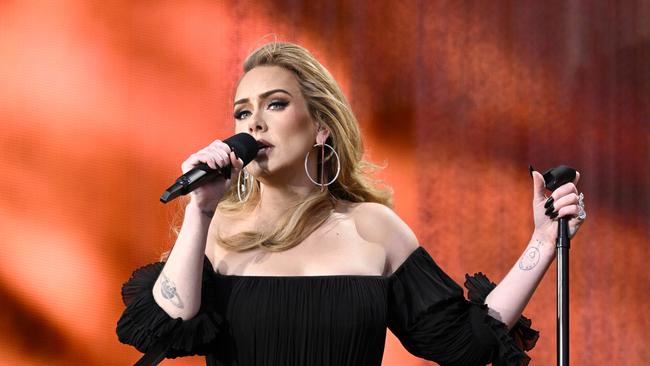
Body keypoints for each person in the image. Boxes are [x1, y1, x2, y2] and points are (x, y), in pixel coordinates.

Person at [116, 42, 587, 366]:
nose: (253, 123)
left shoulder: (374, 228)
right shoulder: (219, 231)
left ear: (321, 127)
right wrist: (200, 209)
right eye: (242, 111)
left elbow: (463, 342)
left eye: (274, 104)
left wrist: (543, 243)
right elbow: (164, 327)